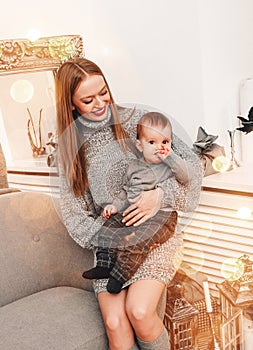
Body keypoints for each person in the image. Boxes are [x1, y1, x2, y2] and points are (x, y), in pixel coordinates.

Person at [55, 57, 202, 350]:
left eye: (103, 92)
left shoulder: (141, 120)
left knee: (139, 310)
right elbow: (74, 214)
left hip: (157, 237)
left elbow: (192, 171)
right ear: (71, 104)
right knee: (114, 322)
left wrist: (161, 195)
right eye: (88, 99)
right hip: (111, 243)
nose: (100, 103)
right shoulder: (71, 149)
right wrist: (109, 235)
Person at [82, 111, 192, 295]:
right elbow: (126, 192)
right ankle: (104, 265)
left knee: (138, 240)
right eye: (152, 142)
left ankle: (121, 273)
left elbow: (186, 176)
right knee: (107, 227)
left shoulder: (169, 166)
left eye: (165, 142)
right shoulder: (133, 167)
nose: (160, 147)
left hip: (162, 218)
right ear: (140, 146)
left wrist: (171, 156)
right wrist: (114, 206)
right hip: (132, 212)